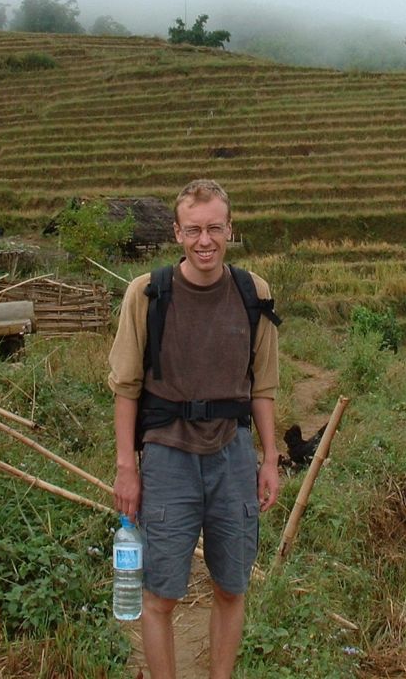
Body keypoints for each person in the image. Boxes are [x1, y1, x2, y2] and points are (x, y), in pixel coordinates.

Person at [108, 179, 280, 679]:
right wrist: (126, 469)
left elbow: (263, 386)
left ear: (230, 230)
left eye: (214, 229)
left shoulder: (253, 293)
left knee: (231, 586)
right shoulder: (147, 294)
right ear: (177, 233)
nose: (205, 241)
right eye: (194, 230)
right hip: (167, 457)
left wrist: (270, 459)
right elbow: (126, 387)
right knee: (161, 594)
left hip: (233, 456)